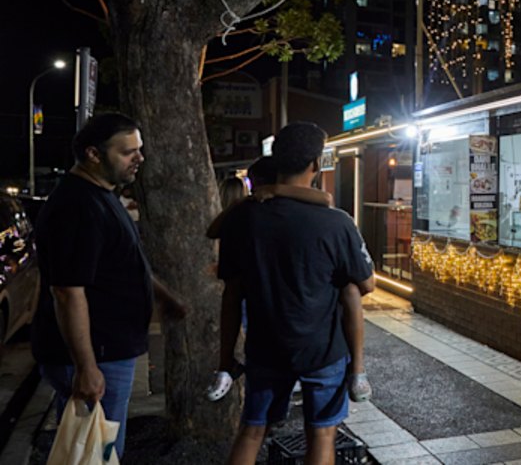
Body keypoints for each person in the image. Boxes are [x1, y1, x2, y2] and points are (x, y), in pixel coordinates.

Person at [31, 113, 187, 460]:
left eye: (139, 149)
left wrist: (164, 297)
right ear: (93, 154)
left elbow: (124, 263)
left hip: (108, 351)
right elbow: (67, 291)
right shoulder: (77, 206)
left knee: (86, 449)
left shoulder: (102, 196)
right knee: (98, 451)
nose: (139, 159)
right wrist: (86, 366)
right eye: (128, 152)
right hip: (98, 355)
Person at [219, 123, 375, 465]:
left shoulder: (245, 218)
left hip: (265, 346)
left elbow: (231, 293)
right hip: (323, 348)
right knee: (321, 434)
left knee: (252, 430)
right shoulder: (336, 223)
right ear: (315, 165)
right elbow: (365, 285)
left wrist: (225, 357)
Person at [205, 155, 372, 404]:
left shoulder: (257, 214)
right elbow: (367, 285)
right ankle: (357, 372)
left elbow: (325, 198)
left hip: (268, 341)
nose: (254, 189)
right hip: (316, 344)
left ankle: (226, 366)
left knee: (256, 425)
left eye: (255, 183)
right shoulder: (253, 212)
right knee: (321, 430)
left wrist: (273, 192)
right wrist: (249, 200)